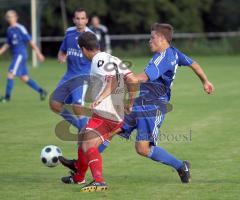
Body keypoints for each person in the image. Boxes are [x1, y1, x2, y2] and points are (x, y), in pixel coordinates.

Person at [115, 23, 214, 183]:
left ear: (161, 39)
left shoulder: (163, 57)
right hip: (143, 102)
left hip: (153, 106)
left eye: (152, 37)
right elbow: (193, 64)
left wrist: (130, 78)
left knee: (142, 148)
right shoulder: (174, 53)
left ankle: (181, 166)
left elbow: (144, 77)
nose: (149, 40)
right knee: (112, 126)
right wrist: (205, 81)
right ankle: (82, 167)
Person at [61, 32, 137, 192]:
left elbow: (113, 80)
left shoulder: (97, 59)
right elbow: (133, 80)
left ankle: (99, 181)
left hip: (106, 112)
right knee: (83, 137)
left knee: (89, 144)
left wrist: (100, 98)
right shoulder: (114, 58)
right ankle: (78, 177)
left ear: (83, 49)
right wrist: (130, 102)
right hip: (115, 113)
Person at [49, 8, 92, 131]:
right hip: (68, 75)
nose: (80, 21)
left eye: (82, 18)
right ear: (74, 20)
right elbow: (63, 50)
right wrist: (61, 57)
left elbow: (96, 55)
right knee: (55, 104)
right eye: (77, 18)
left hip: (82, 76)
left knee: (78, 106)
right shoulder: (69, 32)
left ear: (86, 20)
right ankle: (81, 127)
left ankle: (85, 133)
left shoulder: (90, 36)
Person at [0, 10, 47, 102]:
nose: (10, 18)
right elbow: (7, 44)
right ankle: (42, 91)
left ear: (16, 17)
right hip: (16, 56)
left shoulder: (20, 28)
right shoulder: (9, 30)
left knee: (10, 74)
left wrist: (38, 53)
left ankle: (7, 97)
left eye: (12, 16)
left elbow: (30, 42)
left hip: (20, 55)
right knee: (24, 77)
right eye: (8, 17)